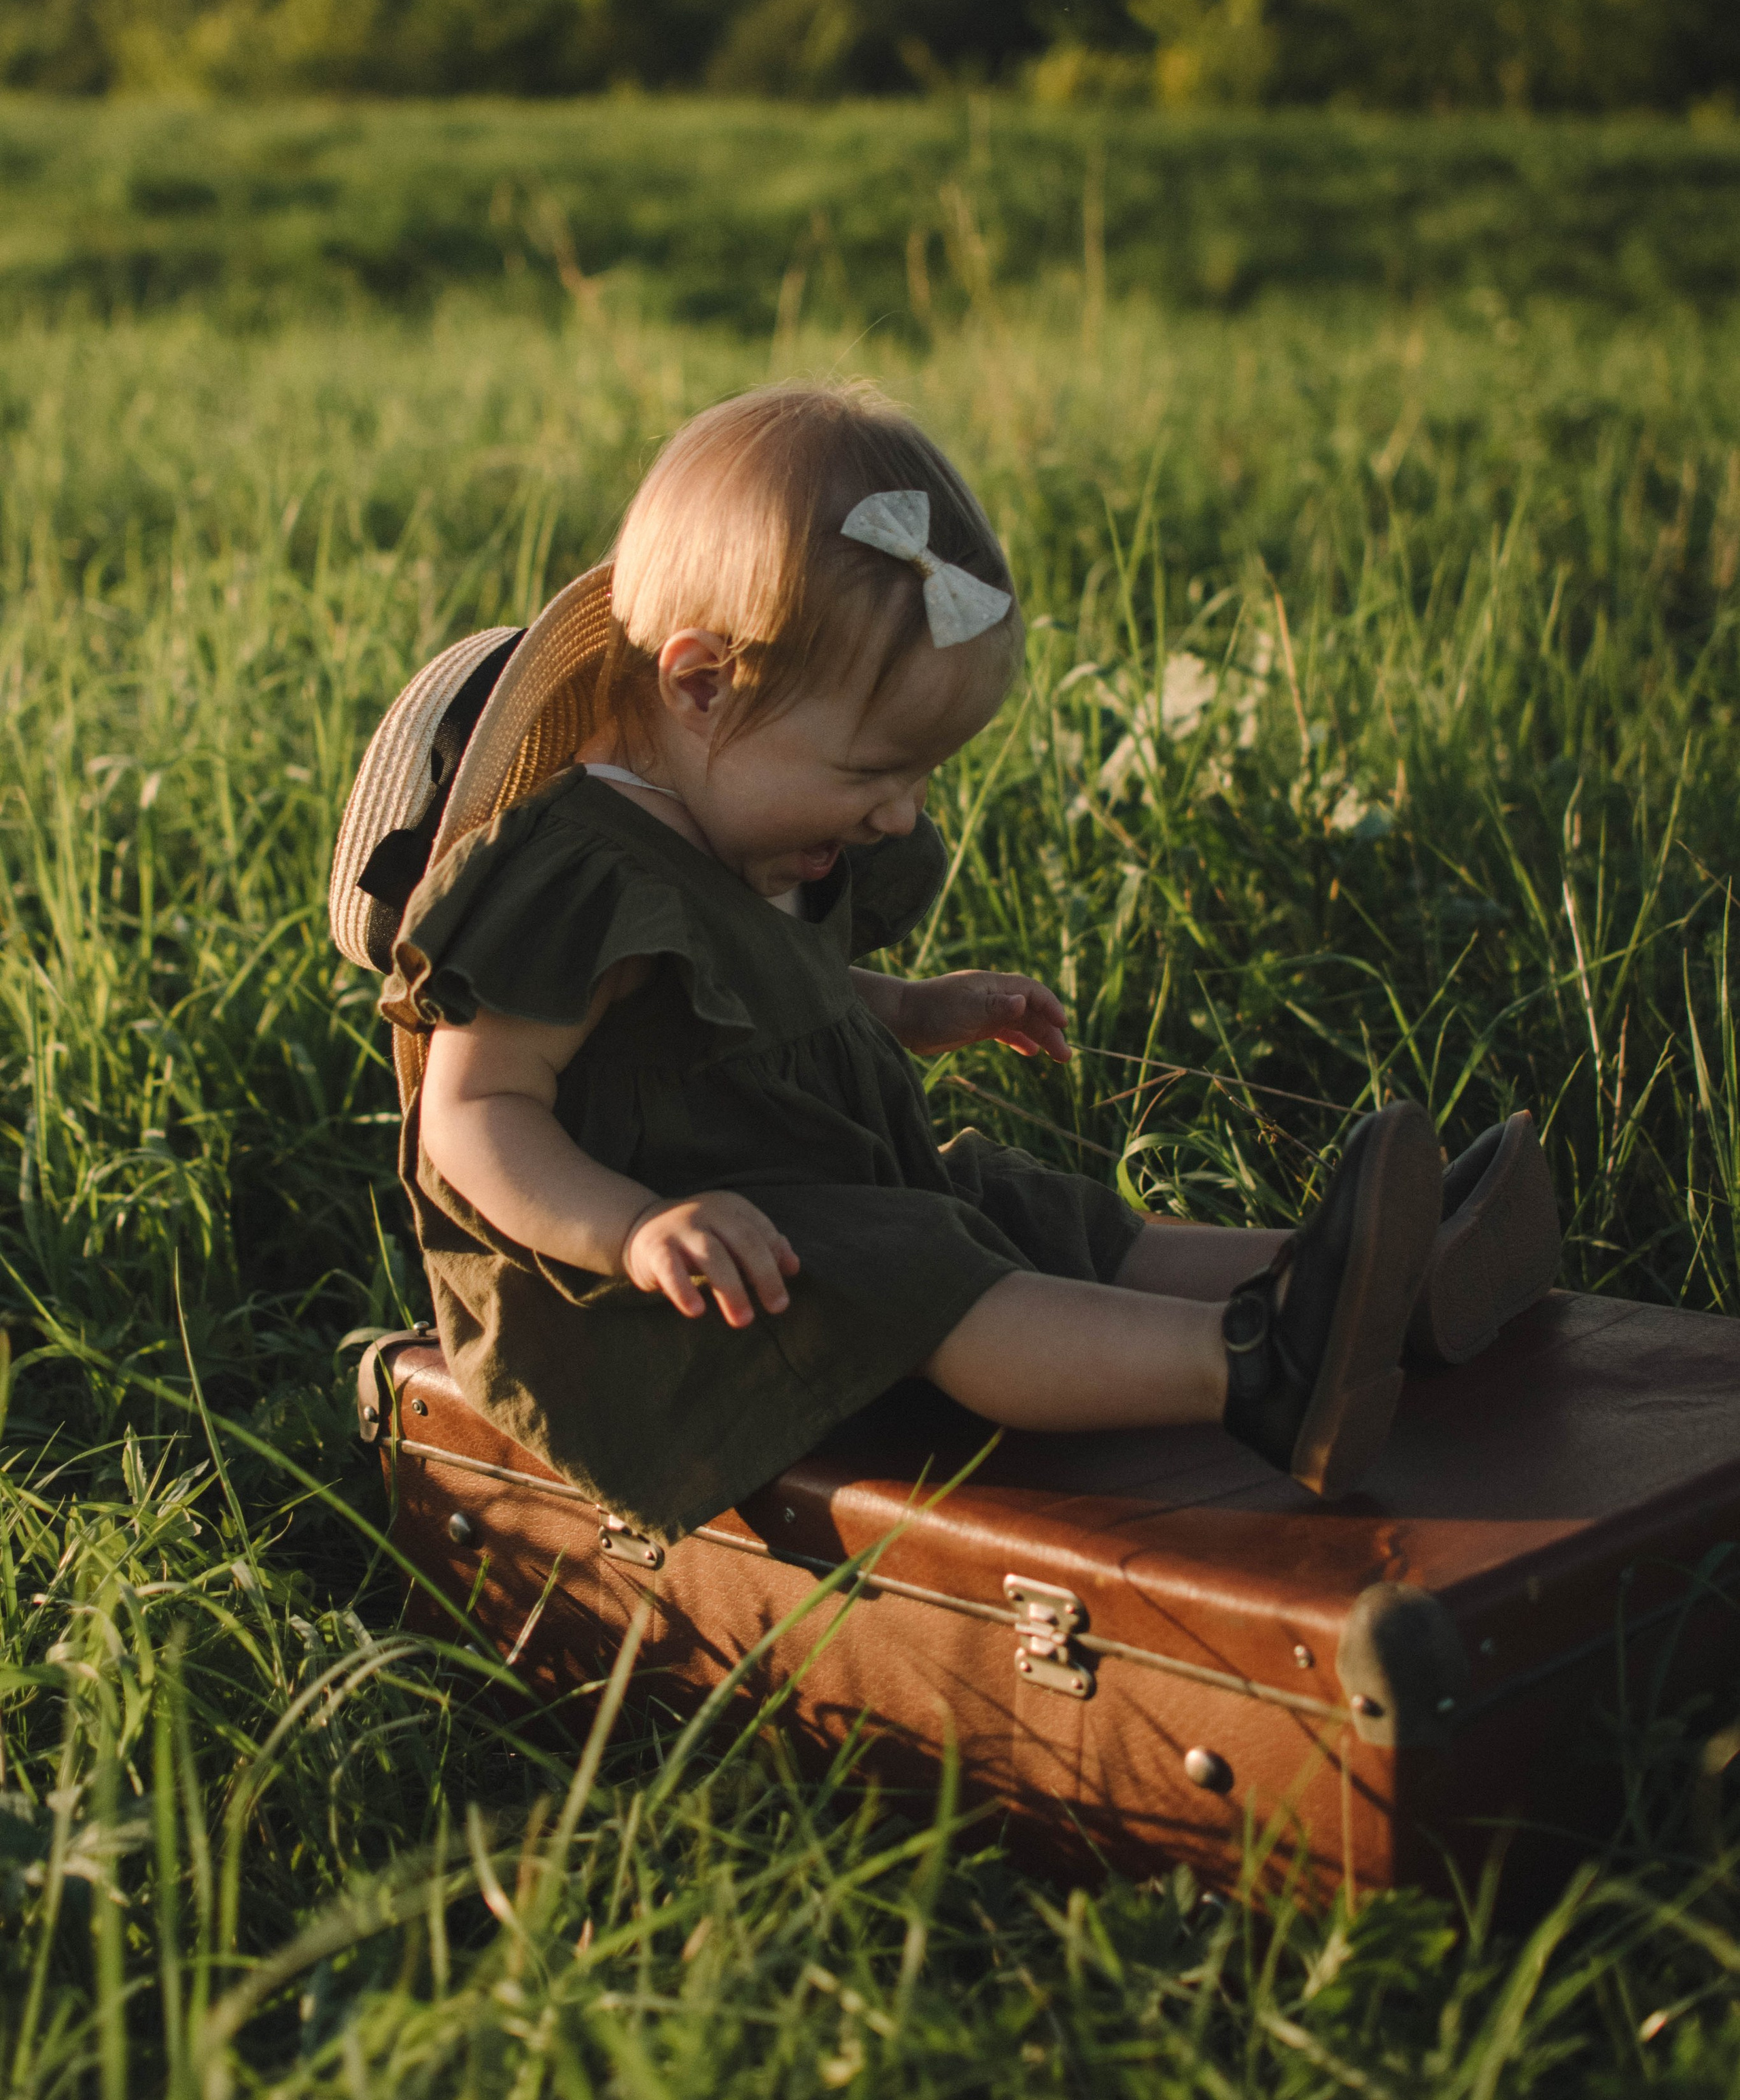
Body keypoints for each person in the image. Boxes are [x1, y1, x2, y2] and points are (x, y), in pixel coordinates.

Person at [353, 383, 1559, 1545]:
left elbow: (758, 1009)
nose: (897, 815)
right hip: (654, 1307)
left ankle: (1370, 1285)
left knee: (1023, 1205)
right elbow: (471, 1118)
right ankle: (1260, 1372)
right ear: (703, 685)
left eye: (922, 777)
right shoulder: (576, 874)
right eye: (876, 772)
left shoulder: (752, 821)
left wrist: (916, 1009)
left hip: (813, 1203)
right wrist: (635, 1231)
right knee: (925, 1261)